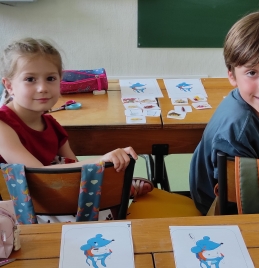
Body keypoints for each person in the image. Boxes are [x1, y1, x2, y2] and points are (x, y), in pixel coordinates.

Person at [0, 37, 152, 197]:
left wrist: (108, 169)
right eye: (30, 79)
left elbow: (75, 172)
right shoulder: (3, 124)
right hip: (19, 209)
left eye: (50, 78)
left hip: (50, 199)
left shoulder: (51, 125)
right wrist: (102, 161)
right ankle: (118, 190)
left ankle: (118, 189)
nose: (42, 88)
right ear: (9, 86)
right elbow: (37, 174)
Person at [189, 9, 259, 215]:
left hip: (258, 162)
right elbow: (243, 207)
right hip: (220, 203)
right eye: (252, 72)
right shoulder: (236, 132)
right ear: (232, 75)